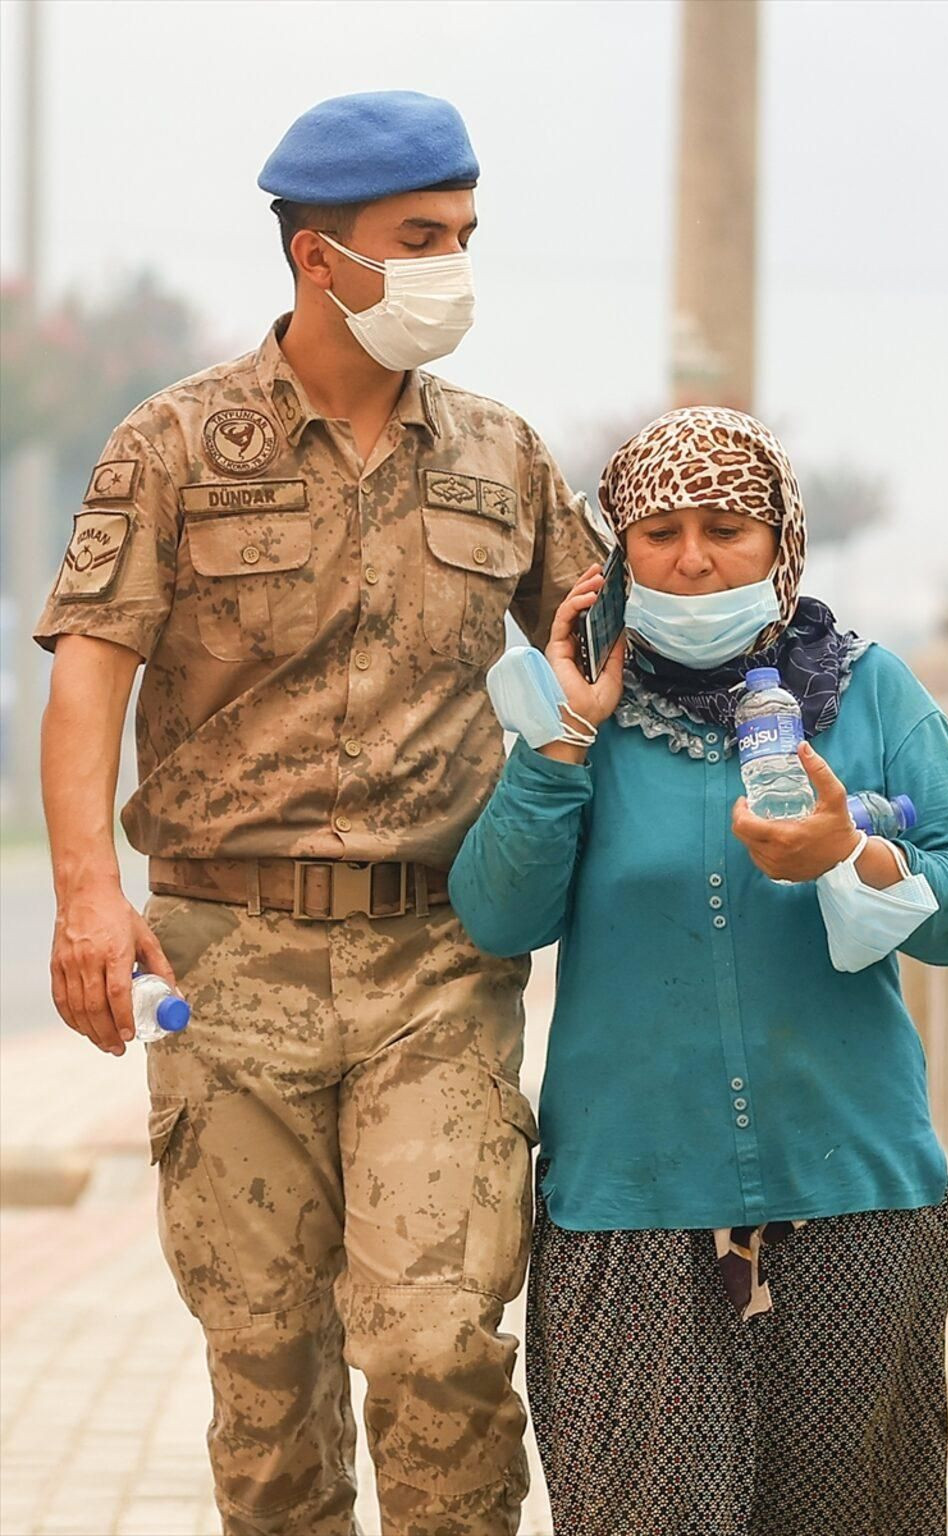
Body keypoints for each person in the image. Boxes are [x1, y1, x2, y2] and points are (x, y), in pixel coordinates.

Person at [35, 91, 606, 1536]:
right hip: (225, 970)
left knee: (435, 1346)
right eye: (420, 238)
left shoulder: (506, 459)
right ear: (318, 257)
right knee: (267, 1366)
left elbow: (617, 663)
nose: (452, 265)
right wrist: (90, 900)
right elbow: (88, 686)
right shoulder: (171, 447)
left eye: (465, 234)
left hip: (438, 966)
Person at [449, 407, 948, 1536]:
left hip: (854, 1202)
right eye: (657, 531)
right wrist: (561, 737)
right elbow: (497, 916)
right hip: (631, 1214)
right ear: (618, 551)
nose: (692, 558)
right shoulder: (582, 713)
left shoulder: (869, 690)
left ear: (781, 544)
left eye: (726, 528)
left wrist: (852, 852)